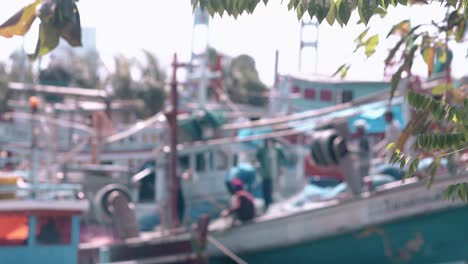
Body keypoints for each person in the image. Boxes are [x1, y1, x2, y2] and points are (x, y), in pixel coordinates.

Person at [255, 139, 288, 212]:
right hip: (266, 174)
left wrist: (283, 167)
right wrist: (258, 165)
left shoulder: (278, 148)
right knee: (266, 190)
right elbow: (257, 159)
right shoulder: (261, 149)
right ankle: (268, 204)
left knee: (277, 189)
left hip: (276, 174)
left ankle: (278, 204)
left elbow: (284, 159)